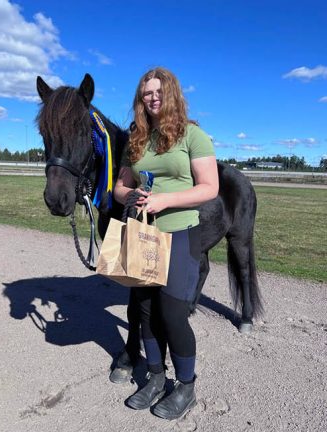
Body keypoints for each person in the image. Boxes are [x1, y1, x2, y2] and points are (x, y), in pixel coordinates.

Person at [113, 67, 218, 420]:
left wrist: (164, 201)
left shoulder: (193, 135)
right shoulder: (138, 139)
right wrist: (133, 193)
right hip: (145, 235)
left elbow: (209, 188)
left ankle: (186, 386)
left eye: (158, 91)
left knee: (172, 315)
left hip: (181, 233)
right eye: (146, 93)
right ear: (140, 99)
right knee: (145, 313)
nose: (152, 98)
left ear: (170, 93)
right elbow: (119, 187)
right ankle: (156, 379)